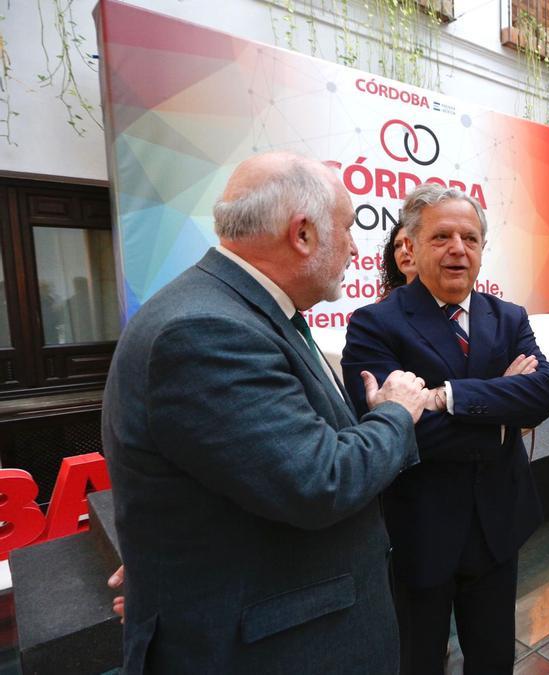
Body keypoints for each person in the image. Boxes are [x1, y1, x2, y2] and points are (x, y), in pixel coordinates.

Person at [101, 151, 429, 673]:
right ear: (302, 235)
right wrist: (396, 412)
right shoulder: (207, 331)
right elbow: (319, 481)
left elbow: (239, 469)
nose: (354, 246)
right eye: (346, 228)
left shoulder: (242, 312)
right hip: (273, 648)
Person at [341, 183, 549, 674]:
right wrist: (503, 417)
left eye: (470, 237)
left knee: (493, 660)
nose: (458, 248)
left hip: (497, 524)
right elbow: (392, 432)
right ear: (411, 248)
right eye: (441, 237)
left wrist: (445, 398)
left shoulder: (507, 317)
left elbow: (545, 393)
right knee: (418, 660)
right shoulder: (375, 324)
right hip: (421, 530)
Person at [379, 217, 418, 300]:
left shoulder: (449, 299)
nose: (404, 250)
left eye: (411, 243)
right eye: (398, 245)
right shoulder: (383, 308)